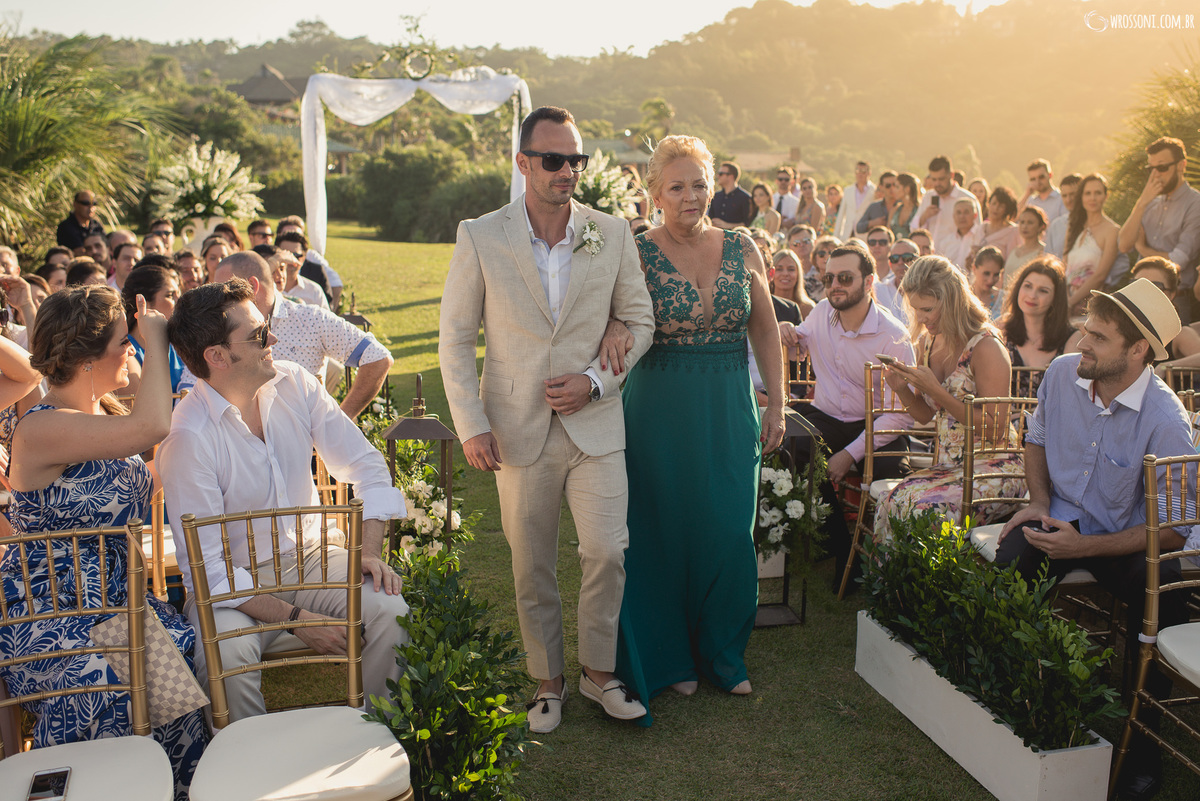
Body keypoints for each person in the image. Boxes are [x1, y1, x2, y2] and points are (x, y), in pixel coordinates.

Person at [438, 106, 655, 733]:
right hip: (514, 428)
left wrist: (594, 381)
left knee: (607, 552)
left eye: (577, 160)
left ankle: (598, 674)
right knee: (530, 562)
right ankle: (547, 682)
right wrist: (472, 422)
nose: (568, 171)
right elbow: (454, 338)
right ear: (523, 162)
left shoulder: (611, 233)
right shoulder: (480, 235)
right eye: (555, 160)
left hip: (597, 424)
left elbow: (639, 321)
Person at [159, 279, 408, 726]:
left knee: (391, 609)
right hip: (235, 586)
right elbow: (209, 572)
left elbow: (367, 468)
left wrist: (368, 553)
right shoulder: (188, 438)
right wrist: (299, 620)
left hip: (312, 559)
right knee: (228, 654)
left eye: (267, 326)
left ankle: (384, 741)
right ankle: (251, 775)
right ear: (216, 356)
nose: (273, 338)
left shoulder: (295, 382)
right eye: (258, 336)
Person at [2, 286, 206, 799]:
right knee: (111, 679)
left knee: (174, 675)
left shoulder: (103, 416)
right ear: (87, 357)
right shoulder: (39, 428)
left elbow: (153, 463)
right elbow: (152, 425)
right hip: (52, 616)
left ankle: (172, 791)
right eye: (124, 342)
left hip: (119, 609)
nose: (132, 350)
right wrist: (157, 341)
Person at [995, 278, 1194, 799]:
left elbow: (1172, 533)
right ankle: (1008, 698)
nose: (1081, 342)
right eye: (1085, 328)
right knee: (1010, 562)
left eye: (1098, 337)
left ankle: (1141, 754)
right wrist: (1038, 502)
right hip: (1058, 512)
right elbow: (1034, 439)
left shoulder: (1167, 422)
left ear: (1137, 350)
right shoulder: (1063, 373)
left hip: (1129, 537)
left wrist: (1084, 548)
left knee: (1163, 607)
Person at [617, 133, 784, 708]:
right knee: (662, 529)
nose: (691, 196)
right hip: (659, 407)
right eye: (678, 186)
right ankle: (669, 656)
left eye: (700, 183)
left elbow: (763, 327)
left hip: (729, 406)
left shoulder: (743, 245)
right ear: (655, 193)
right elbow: (614, 320)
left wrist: (778, 402)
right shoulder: (636, 250)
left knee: (727, 530)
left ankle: (722, 651)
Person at [792, 242, 916, 588]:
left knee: (891, 481)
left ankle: (884, 560)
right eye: (829, 277)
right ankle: (838, 546)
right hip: (828, 416)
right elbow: (800, 340)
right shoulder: (819, 313)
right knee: (796, 449)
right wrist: (790, 335)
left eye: (845, 277)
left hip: (880, 424)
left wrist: (850, 454)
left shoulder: (894, 337)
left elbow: (900, 415)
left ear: (869, 281)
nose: (835, 285)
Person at [874, 255, 1023, 542]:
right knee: (892, 501)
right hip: (950, 467)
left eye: (927, 309)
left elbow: (996, 429)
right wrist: (901, 388)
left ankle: (934, 585)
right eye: (915, 309)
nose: (920, 318)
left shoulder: (986, 346)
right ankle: (898, 587)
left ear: (952, 301)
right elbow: (925, 416)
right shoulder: (929, 341)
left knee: (924, 512)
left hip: (994, 468)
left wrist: (938, 392)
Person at [187, 251, 391, 418]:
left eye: (225, 292)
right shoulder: (217, 326)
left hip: (306, 452)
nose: (218, 301)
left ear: (252, 286)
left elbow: (377, 357)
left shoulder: (310, 319)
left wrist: (340, 422)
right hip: (241, 449)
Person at [1119, 137, 1200, 324]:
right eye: (1151, 169)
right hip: (1138, 297)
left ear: (1181, 165)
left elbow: (1177, 261)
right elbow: (1123, 245)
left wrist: (1143, 249)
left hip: (1174, 300)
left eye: (1162, 167)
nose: (1155, 174)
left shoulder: (1195, 204)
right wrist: (1141, 203)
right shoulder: (1150, 202)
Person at [1000, 257, 1083, 398]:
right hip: (1005, 418)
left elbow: (1070, 396)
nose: (1032, 295)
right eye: (1028, 286)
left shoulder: (1072, 339)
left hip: (1049, 419)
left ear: (1055, 298)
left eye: (1043, 291)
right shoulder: (1001, 327)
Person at [121, 265, 186, 394]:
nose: (178, 301)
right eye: (170, 296)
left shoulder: (177, 343)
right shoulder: (126, 352)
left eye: (178, 294)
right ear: (144, 304)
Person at [1063, 174, 1120, 315]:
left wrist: (1071, 302)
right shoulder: (1074, 227)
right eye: (1088, 193)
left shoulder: (1112, 230)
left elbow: (1100, 275)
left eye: (1098, 193)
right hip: (1064, 300)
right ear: (1081, 197)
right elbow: (1064, 266)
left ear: (1106, 196)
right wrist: (1063, 300)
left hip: (1091, 304)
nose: (1092, 198)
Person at [911, 155, 977, 249]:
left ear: (951, 175)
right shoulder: (928, 197)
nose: (937, 183)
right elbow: (913, 228)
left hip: (955, 257)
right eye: (934, 179)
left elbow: (976, 233)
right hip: (929, 257)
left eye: (941, 179)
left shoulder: (968, 198)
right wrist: (925, 216)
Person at [1003, 206, 1047, 287]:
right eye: (1022, 222)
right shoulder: (1014, 250)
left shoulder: (1044, 251)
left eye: (1030, 223)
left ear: (1041, 226)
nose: (1025, 226)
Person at [1044, 173, 1082, 258]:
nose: (1068, 200)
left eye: (1073, 194)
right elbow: (1048, 257)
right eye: (1064, 196)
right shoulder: (1056, 225)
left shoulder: (1093, 224)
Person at [939, 198, 982, 272]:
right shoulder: (946, 242)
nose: (962, 216)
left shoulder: (982, 237)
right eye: (958, 213)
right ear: (953, 216)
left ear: (975, 215)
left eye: (966, 212)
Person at [55, 190, 105, 255]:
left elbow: (107, 246)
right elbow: (80, 252)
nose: (91, 207)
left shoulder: (97, 225)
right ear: (75, 204)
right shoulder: (66, 227)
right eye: (86, 203)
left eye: (94, 204)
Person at [978, 186, 1021, 261]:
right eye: (994, 203)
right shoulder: (981, 227)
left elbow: (1011, 260)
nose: (996, 208)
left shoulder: (1013, 231)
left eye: (1001, 206)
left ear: (1007, 209)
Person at [835, 161, 875, 240]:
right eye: (857, 170)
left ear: (869, 173)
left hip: (865, 235)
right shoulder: (848, 190)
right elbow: (841, 214)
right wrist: (836, 236)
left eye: (863, 171)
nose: (860, 174)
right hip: (848, 233)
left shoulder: (874, 190)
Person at [770, 248, 816, 317]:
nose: (785, 274)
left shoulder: (808, 308)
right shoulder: (764, 305)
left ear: (798, 274)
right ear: (771, 273)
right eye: (779, 269)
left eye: (791, 269)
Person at [708, 161, 753, 230]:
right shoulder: (715, 196)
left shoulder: (745, 197)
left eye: (721, 174)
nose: (718, 176)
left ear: (731, 176)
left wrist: (727, 225)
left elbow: (748, 223)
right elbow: (709, 218)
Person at [970, 246, 1006, 320]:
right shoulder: (961, 297)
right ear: (974, 268)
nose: (990, 280)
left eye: (996, 274)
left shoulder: (1004, 299)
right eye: (986, 273)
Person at [889, 172, 921, 240]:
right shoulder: (895, 210)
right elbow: (888, 234)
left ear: (907, 189)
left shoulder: (919, 210)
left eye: (897, 187)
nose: (893, 190)